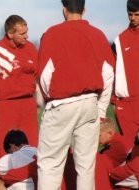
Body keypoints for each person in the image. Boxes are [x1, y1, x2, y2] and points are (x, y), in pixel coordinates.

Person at [36, 0, 115, 189]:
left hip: (60, 103)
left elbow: (45, 75)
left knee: (49, 164)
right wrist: (101, 109)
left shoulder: (52, 34)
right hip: (90, 104)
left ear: (64, 10)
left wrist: (51, 98)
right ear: (84, 10)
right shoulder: (98, 34)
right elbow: (108, 73)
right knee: (86, 166)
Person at [0, 14, 38, 163]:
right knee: (3, 146)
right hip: (5, 106)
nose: (27, 36)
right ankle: (0, 181)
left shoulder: (31, 48)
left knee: (31, 145)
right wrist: (6, 93)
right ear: (10, 33)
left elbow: (38, 74)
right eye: (22, 33)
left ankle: (30, 180)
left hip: (28, 105)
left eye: (27, 32)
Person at [111, 0, 139, 146]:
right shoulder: (119, 41)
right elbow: (110, 72)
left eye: (136, 14)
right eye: (130, 14)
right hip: (126, 105)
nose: (133, 18)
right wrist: (114, 101)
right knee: (131, 149)